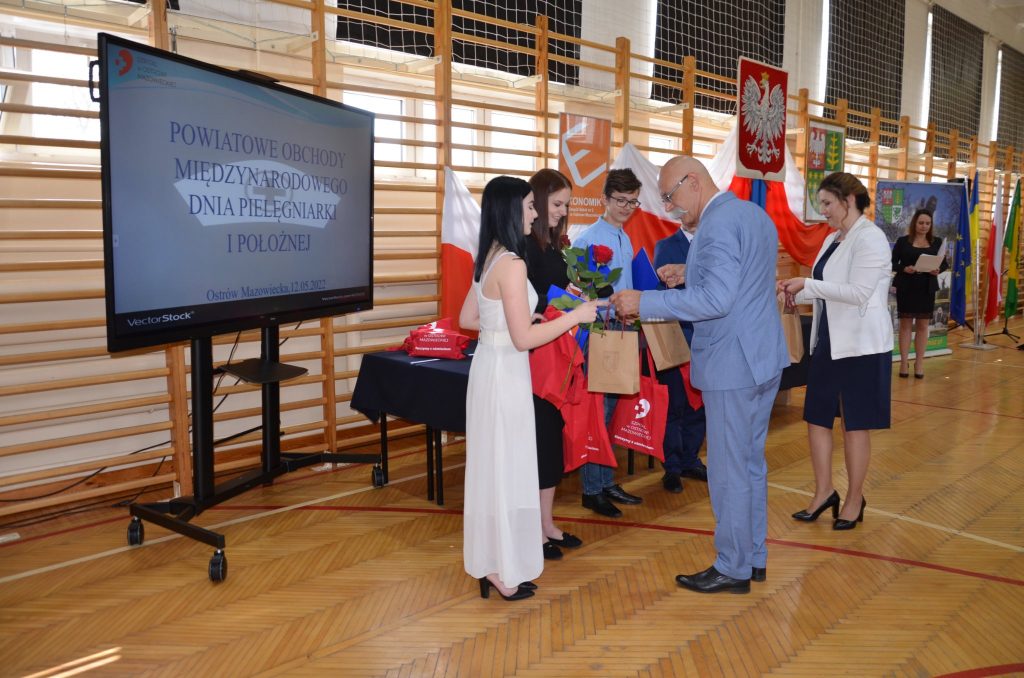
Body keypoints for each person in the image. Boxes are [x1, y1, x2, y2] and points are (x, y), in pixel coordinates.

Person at [611, 157, 789, 594]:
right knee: (750, 465)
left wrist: (645, 302)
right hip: (761, 358)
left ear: (693, 181)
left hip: (733, 364)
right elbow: (744, 278)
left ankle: (732, 566)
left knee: (728, 472)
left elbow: (715, 301)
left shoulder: (714, 225)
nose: (670, 209)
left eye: (670, 197)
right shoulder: (752, 214)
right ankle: (753, 556)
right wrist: (690, 272)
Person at [459, 175, 604, 602]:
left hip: (489, 368)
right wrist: (575, 316)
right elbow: (523, 340)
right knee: (507, 470)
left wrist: (516, 322)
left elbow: (469, 319)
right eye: (529, 206)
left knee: (493, 469)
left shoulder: (489, 256)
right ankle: (499, 568)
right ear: (510, 211)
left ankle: (492, 563)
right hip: (506, 372)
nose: (535, 213)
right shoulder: (513, 263)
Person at [779, 171, 893, 532]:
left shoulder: (871, 238)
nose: (823, 210)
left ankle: (854, 499)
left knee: (854, 425)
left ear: (849, 201)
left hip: (861, 347)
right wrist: (796, 291)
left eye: (828, 203)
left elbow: (858, 292)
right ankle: (824, 492)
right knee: (817, 418)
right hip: (828, 342)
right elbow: (827, 286)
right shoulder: (832, 239)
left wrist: (808, 284)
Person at [571, 168, 645, 518]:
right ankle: (591, 489)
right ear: (604, 199)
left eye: (633, 202)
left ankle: (605, 480)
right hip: (600, 330)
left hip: (623, 328)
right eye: (621, 201)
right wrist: (607, 304)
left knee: (612, 409)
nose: (627, 208)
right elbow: (579, 292)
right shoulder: (588, 239)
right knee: (597, 412)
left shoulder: (624, 237)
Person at [525, 168, 584, 561]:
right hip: (533, 358)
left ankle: (546, 522)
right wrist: (565, 302)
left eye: (566, 205)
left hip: (555, 353)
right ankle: (533, 527)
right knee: (539, 444)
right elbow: (527, 302)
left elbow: (555, 292)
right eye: (557, 203)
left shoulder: (554, 246)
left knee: (550, 444)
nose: (562, 211)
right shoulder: (523, 247)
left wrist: (576, 295)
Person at [652, 223, 708, 493]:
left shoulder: (712, 245)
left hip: (708, 339)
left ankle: (690, 459)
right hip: (676, 337)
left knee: (700, 406)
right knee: (674, 406)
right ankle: (672, 467)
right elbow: (663, 295)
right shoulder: (666, 246)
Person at [891, 209, 948, 378]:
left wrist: (938, 270)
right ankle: (904, 362)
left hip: (926, 287)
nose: (924, 226)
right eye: (921, 223)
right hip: (906, 286)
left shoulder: (937, 242)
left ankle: (919, 363)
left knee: (923, 326)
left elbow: (944, 264)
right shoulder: (903, 241)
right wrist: (904, 268)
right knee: (905, 325)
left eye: (928, 223)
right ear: (914, 223)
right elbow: (892, 262)